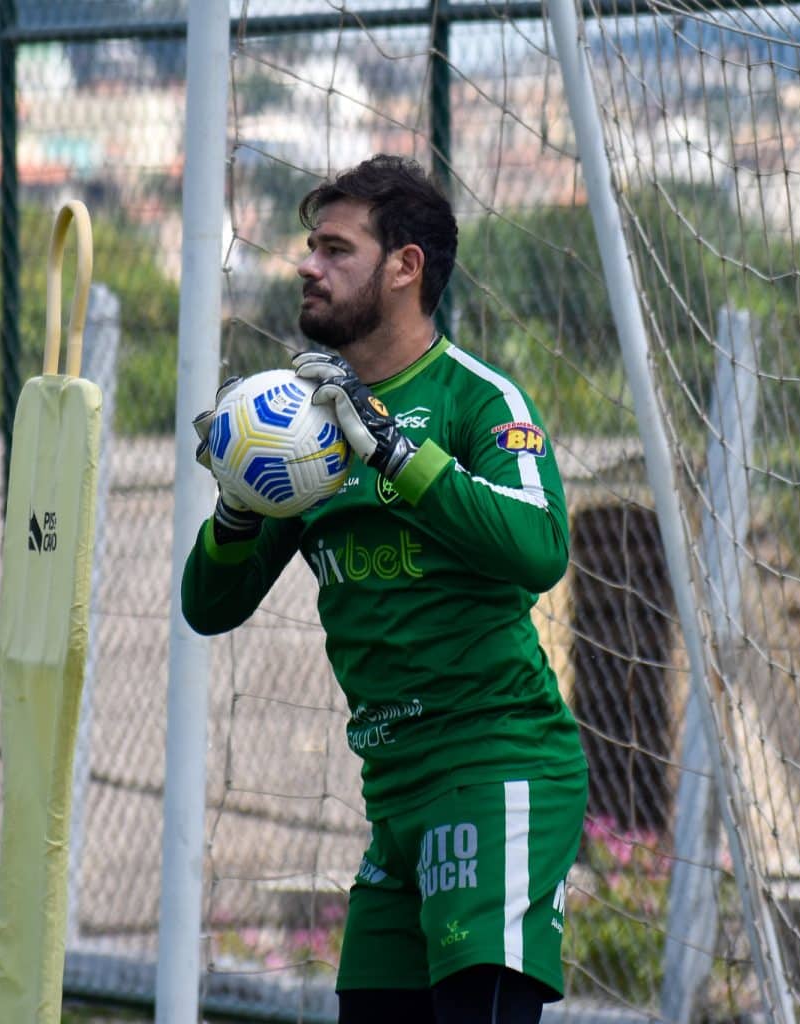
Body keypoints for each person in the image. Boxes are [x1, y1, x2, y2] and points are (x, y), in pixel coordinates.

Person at [181, 154, 587, 1024]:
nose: (307, 266)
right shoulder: (308, 432)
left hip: (497, 772)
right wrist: (239, 508)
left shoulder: (475, 399)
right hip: (394, 796)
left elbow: (539, 548)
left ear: (405, 267)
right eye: (310, 247)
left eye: (335, 249)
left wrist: (396, 453)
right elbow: (208, 608)